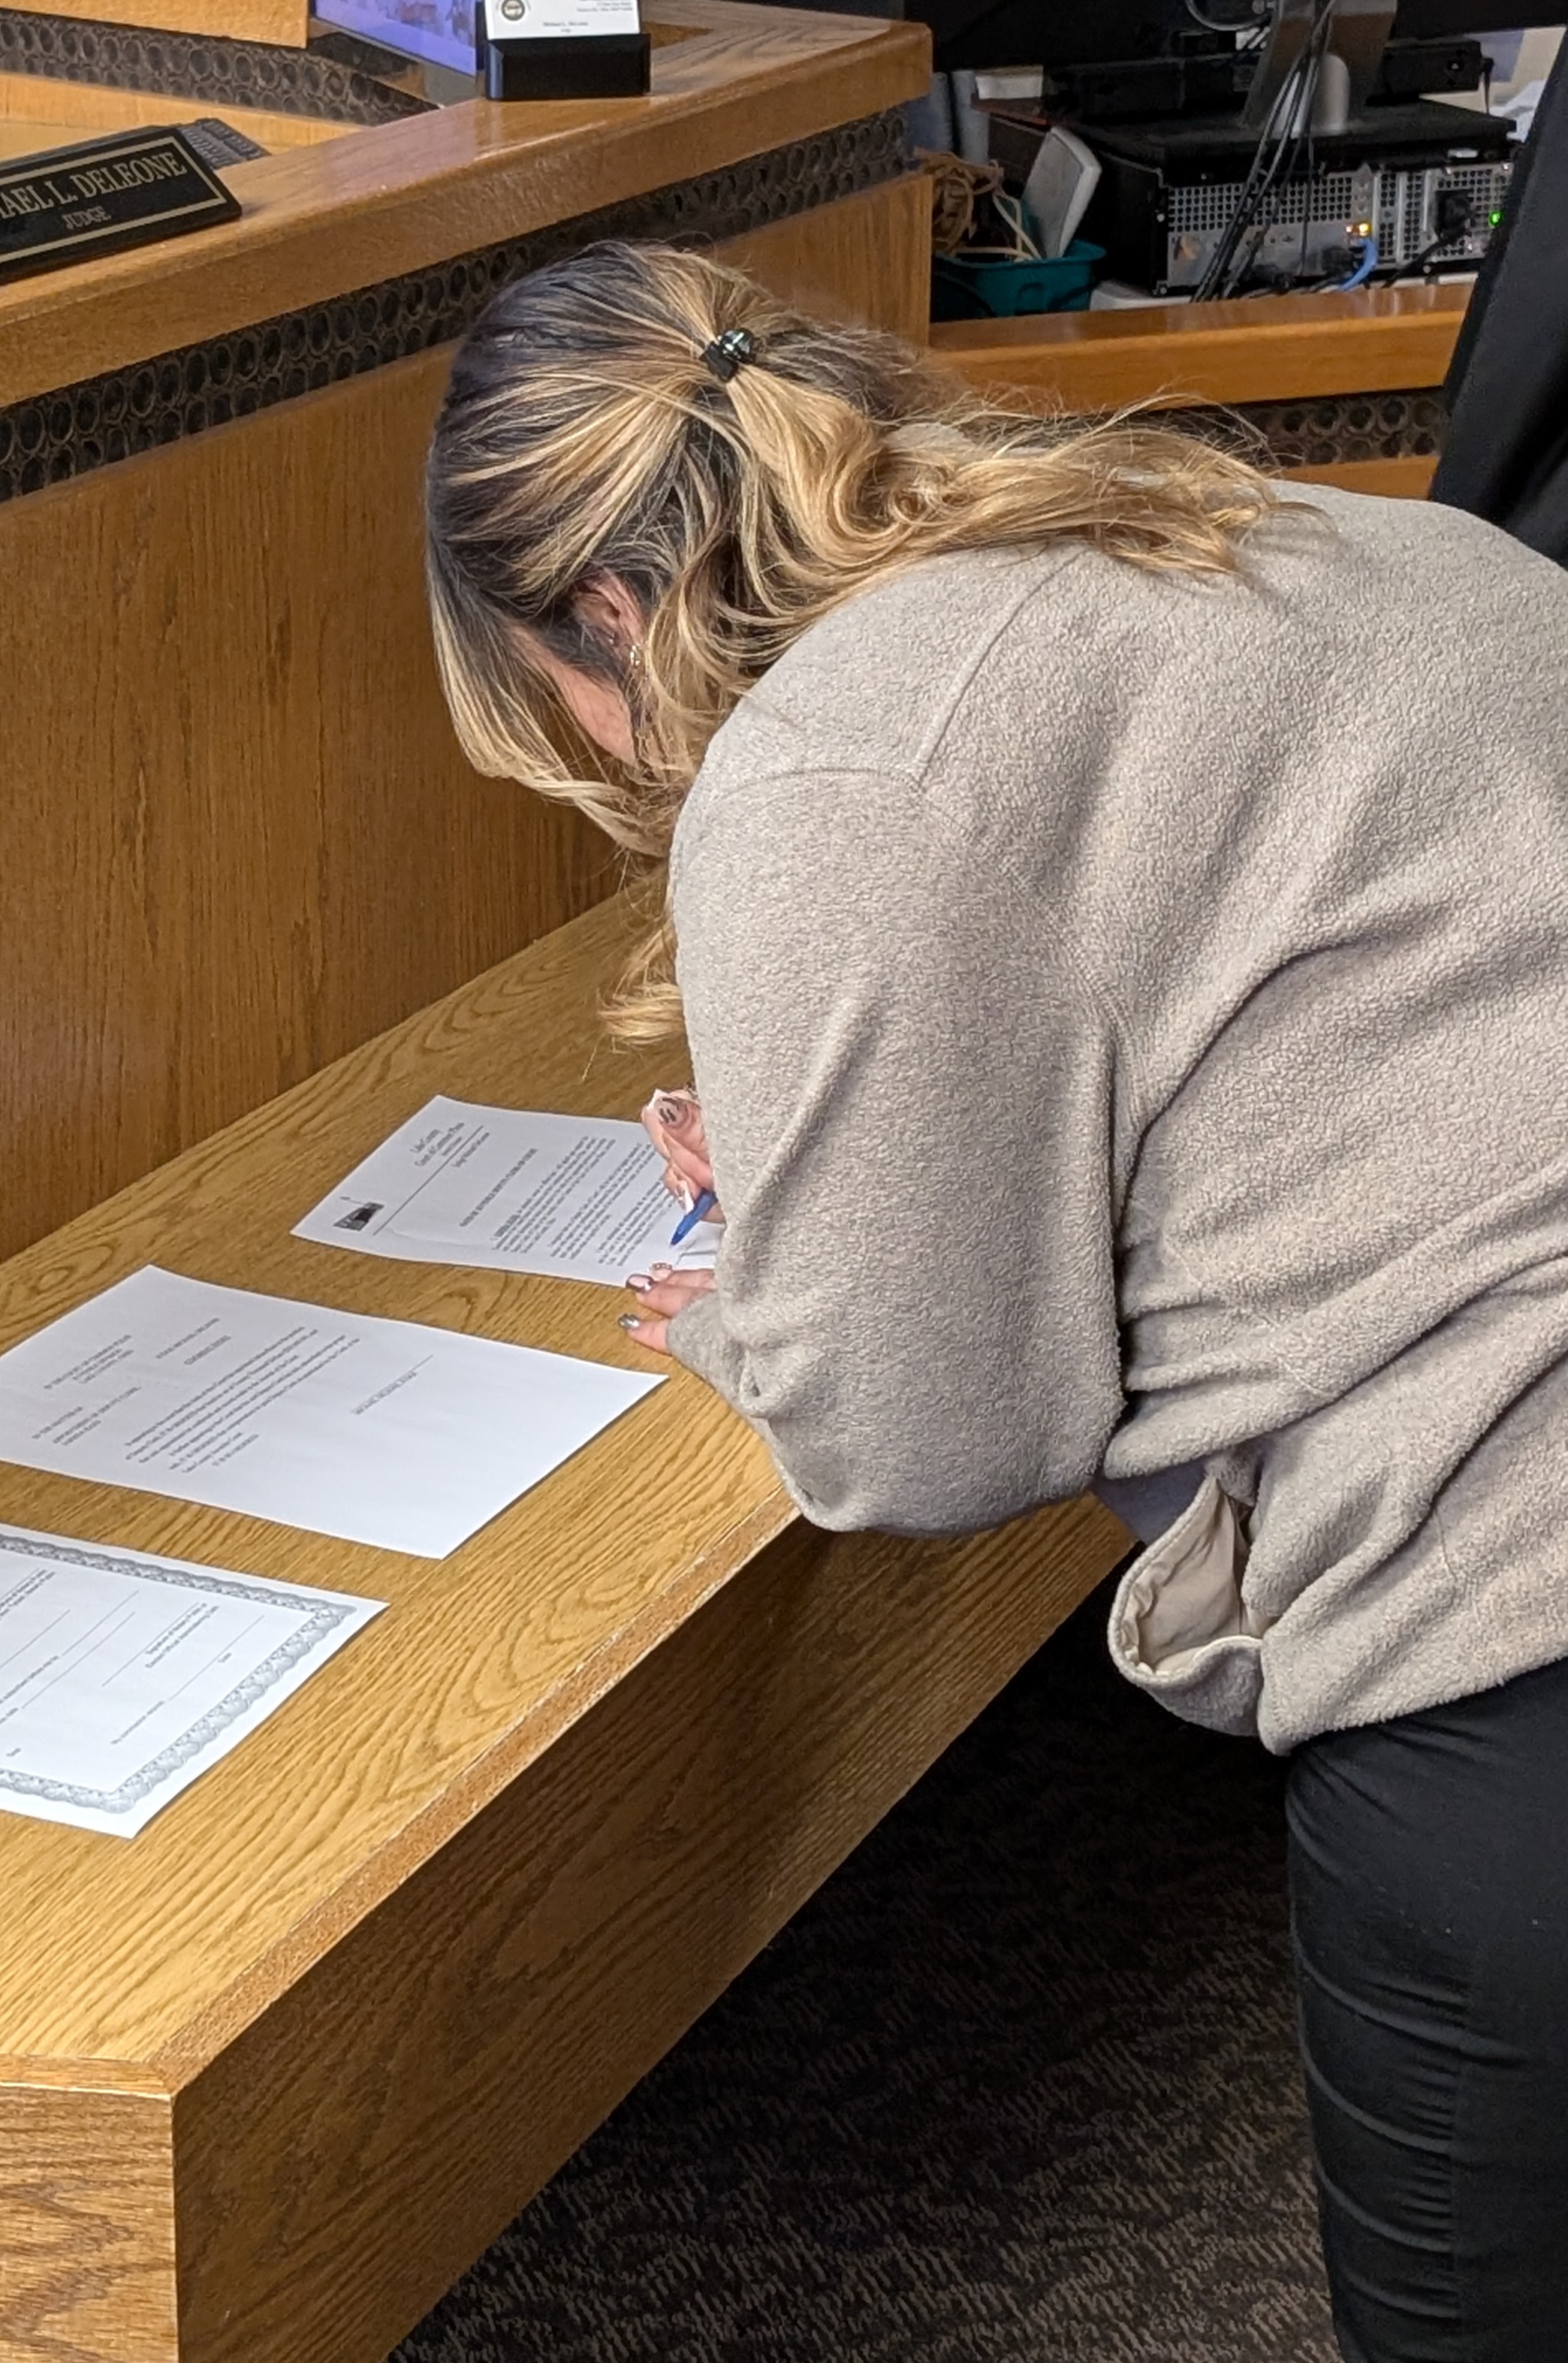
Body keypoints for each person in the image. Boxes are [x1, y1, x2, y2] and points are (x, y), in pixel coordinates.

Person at [421, 237, 1568, 2363]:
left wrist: (769, 1264)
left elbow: (927, 1435)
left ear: (602, 617)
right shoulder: (1321, 530)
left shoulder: (836, 760)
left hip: (1516, 1621)